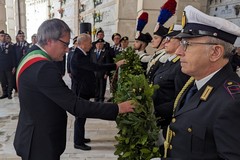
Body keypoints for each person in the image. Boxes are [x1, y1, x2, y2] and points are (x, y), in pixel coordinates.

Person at [13, 18, 134, 160]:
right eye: (65, 44)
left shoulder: (29, 55)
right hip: (40, 143)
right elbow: (76, 106)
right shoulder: (44, 68)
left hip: (30, 134)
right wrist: (118, 108)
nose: (66, 49)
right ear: (50, 40)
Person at [163, 5, 240, 159]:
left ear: (215, 52)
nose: (179, 52)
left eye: (186, 44)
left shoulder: (232, 102)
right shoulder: (195, 83)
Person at [70, 33, 126, 151]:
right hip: (80, 91)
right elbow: (95, 67)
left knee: (83, 115)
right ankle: (78, 142)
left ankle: (80, 138)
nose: (92, 45)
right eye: (90, 43)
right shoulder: (78, 56)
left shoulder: (82, 53)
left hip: (83, 90)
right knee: (80, 116)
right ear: (83, 43)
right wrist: (115, 65)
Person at [0, 30, 16, 99]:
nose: (3, 37)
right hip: (1, 67)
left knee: (10, 81)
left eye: (4, 36)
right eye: (1, 36)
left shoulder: (10, 46)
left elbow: (13, 57)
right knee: (3, 81)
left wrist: (14, 66)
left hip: (9, 66)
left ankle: (9, 93)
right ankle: (5, 93)